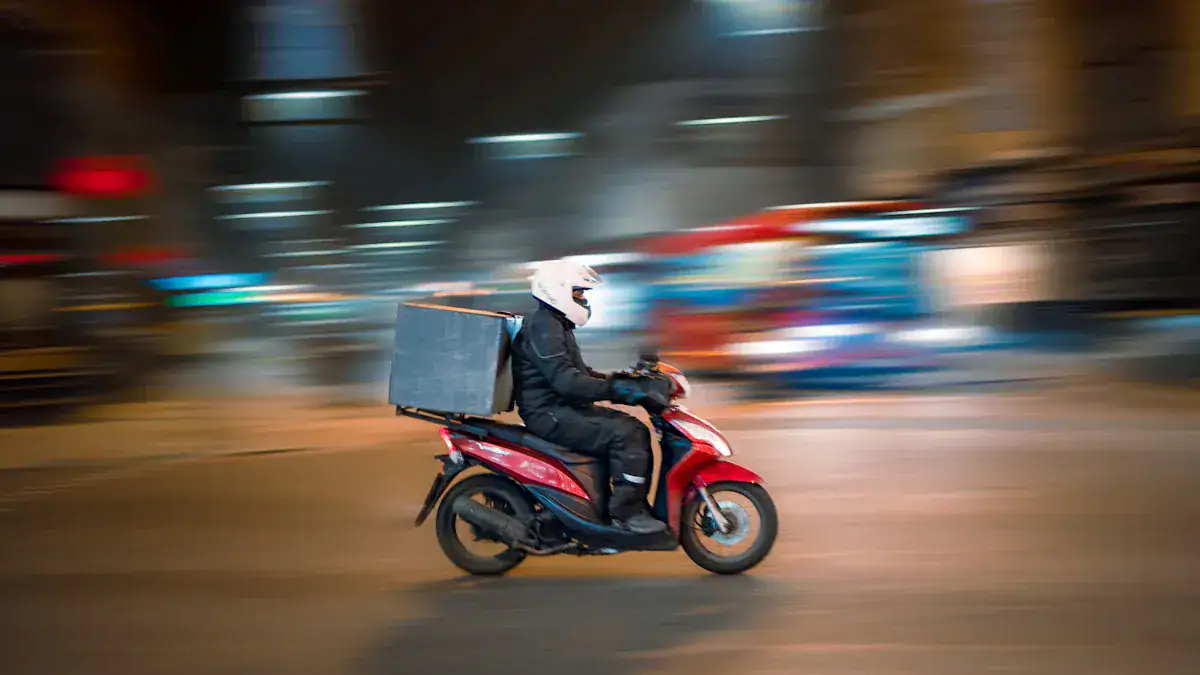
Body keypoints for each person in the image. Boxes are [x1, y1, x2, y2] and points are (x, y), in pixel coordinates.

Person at [510, 259, 672, 535]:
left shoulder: (554, 324)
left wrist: (626, 381)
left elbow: (581, 374)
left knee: (627, 428)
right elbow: (568, 383)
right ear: (557, 290)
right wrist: (620, 390)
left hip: (558, 408)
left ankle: (609, 503)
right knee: (628, 432)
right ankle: (626, 513)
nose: (583, 300)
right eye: (578, 293)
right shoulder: (544, 327)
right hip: (550, 413)